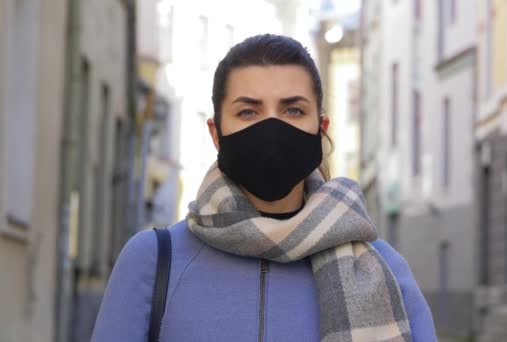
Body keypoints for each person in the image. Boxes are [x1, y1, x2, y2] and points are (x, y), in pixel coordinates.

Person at [92, 34, 436, 342]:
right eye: (248, 112)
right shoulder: (154, 262)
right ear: (216, 133)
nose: (272, 128)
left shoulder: (380, 269)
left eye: (293, 109)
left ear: (320, 128)